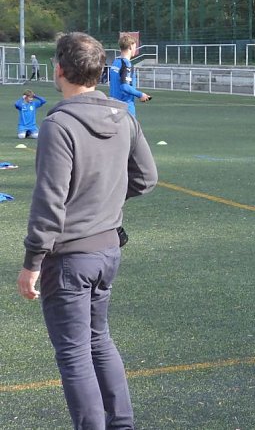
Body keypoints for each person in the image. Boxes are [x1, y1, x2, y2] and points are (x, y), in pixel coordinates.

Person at [16, 32, 158, 429]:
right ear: (99, 71)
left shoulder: (58, 125)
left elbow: (49, 203)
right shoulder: (124, 116)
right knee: (99, 341)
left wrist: (31, 263)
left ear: (59, 70)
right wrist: (104, 201)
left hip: (71, 258)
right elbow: (146, 179)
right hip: (109, 250)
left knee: (76, 353)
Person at [109, 34, 151, 117]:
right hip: (125, 108)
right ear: (130, 47)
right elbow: (124, 86)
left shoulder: (115, 62)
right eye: (135, 47)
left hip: (114, 106)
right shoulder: (127, 64)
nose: (135, 49)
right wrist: (141, 95)